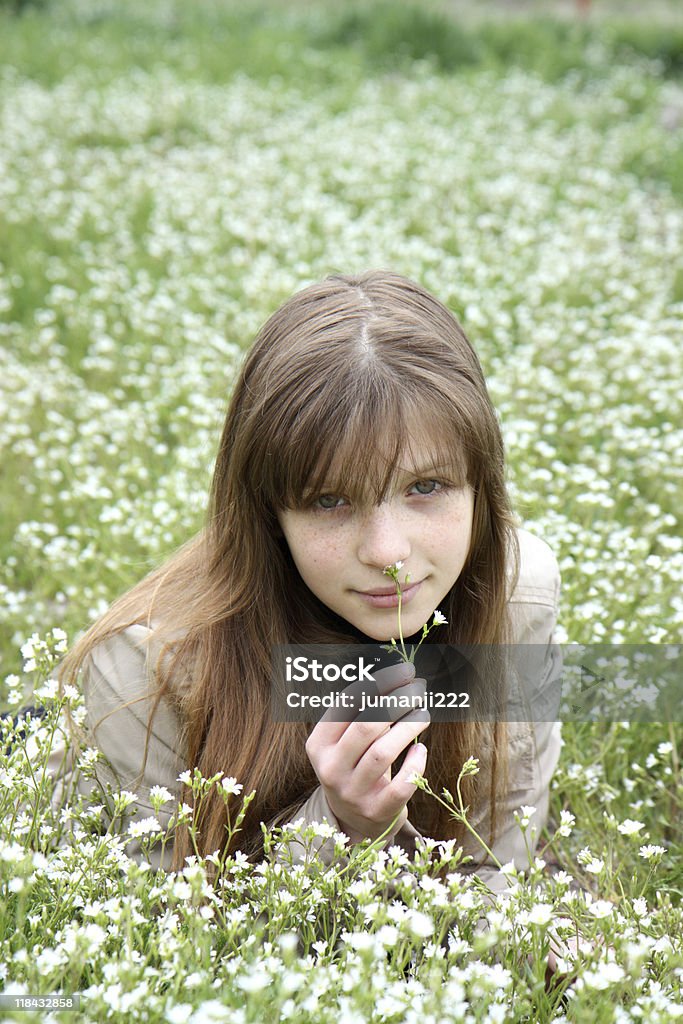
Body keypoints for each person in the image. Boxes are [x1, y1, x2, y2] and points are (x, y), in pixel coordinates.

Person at [55, 270, 562, 893]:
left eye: (425, 487)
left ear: (480, 485)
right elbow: (168, 941)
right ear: (269, 512)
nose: (387, 553)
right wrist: (343, 828)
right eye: (328, 500)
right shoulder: (143, 664)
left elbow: (505, 879)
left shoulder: (517, 594)